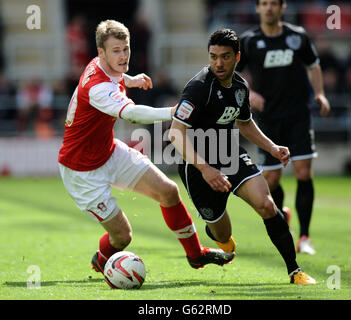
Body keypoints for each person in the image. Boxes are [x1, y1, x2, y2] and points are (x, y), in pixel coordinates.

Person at [58, 20, 235, 281]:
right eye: (116, 51)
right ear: (101, 52)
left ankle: (195, 255)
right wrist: (172, 112)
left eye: (126, 49)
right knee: (123, 237)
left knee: (168, 191)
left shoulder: (102, 67)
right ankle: (103, 259)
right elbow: (131, 113)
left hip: (108, 152)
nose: (123, 56)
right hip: (81, 171)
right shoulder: (97, 87)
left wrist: (130, 79)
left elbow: (114, 78)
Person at [169, 28, 316, 284]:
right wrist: (205, 169)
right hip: (196, 167)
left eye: (225, 56)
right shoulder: (198, 88)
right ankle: (218, 234)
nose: (218, 62)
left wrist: (272, 147)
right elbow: (175, 133)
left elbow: (245, 123)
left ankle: (295, 271)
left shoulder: (240, 87)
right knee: (224, 234)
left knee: (267, 205)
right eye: (213, 56)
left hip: (229, 155)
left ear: (237, 57)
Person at [236, 0, 331, 255]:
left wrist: (320, 94)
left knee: (303, 171)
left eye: (273, 4)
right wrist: (250, 94)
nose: (268, 8)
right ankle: (283, 218)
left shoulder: (297, 36)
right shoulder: (247, 41)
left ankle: (305, 237)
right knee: (272, 177)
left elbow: (314, 65)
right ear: (257, 9)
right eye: (263, 4)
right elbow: (234, 74)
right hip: (266, 119)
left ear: (282, 7)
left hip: (298, 115)